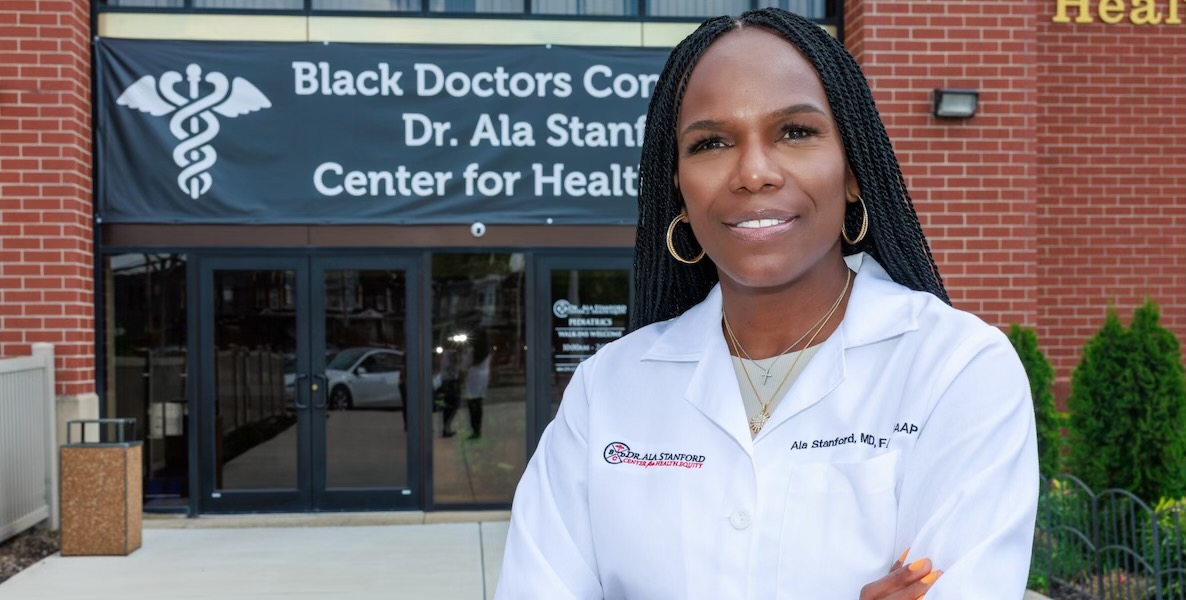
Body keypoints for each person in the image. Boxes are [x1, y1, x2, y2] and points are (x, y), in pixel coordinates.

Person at [496, 7, 1038, 600]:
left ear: (854, 170)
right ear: (677, 185)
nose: (753, 173)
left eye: (796, 132)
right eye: (712, 142)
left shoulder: (955, 369)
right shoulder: (608, 390)